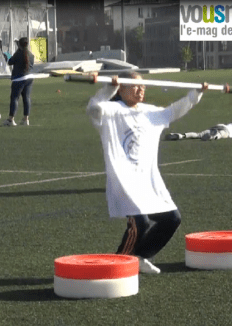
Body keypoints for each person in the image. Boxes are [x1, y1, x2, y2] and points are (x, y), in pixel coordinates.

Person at [86, 71, 206, 274]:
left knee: (172, 219)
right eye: (134, 86)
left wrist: (196, 94)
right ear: (122, 89)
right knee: (139, 223)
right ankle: (117, 266)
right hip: (125, 182)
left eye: (143, 86)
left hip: (148, 183)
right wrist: (109, 89)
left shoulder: (151, 113)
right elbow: (93, 109)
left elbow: (175, 111)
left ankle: (140, 257)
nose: (141, 89)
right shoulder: (112, 111)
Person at [5, 38, 35, 127]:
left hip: (18, 79)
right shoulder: (31, 55)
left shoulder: (18, 54)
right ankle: (26, 119)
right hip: (29, 78)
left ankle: (11, 119)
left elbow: (10, 62)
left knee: (14, 98)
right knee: (27, 98)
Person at [165, 122, 232, 141]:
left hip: (219, 126)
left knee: (199, 135)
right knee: (223, 134)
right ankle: (213, 136)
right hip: (225, 130)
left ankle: (181, 136)